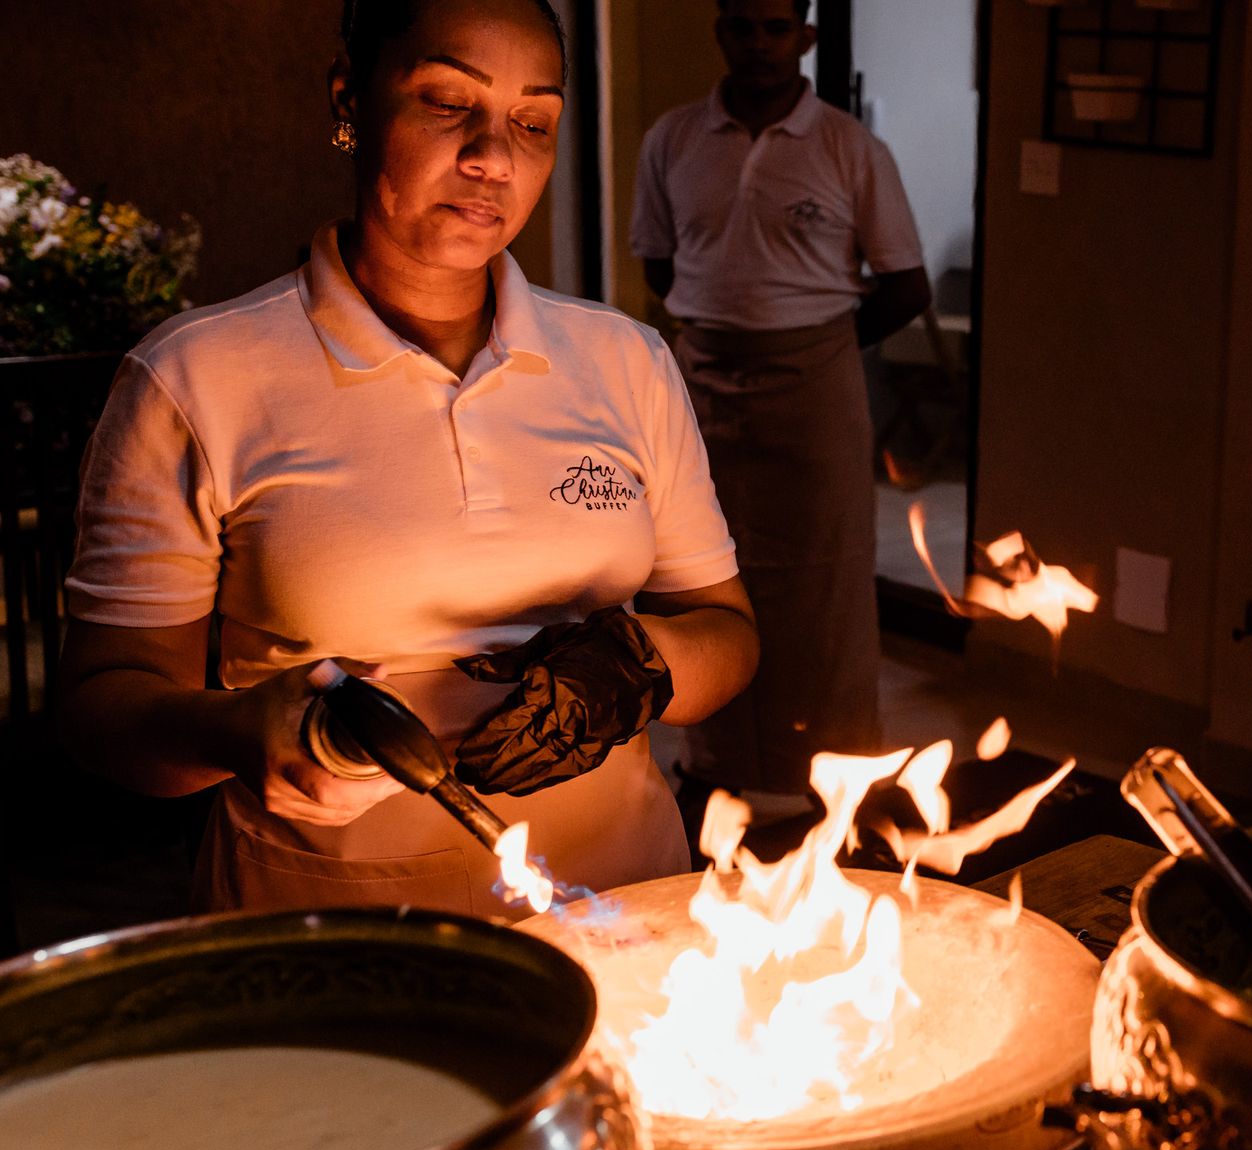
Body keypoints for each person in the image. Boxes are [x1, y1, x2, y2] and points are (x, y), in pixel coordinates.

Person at [56, 0, 758, 916]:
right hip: (335, 927)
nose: (493, 158)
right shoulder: (198, 377)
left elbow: (728, 632)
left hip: (623, 909)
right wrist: (240, 730)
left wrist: (640, 663)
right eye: (445, 101)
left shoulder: (624, 362)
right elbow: (101, 708)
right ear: (352, 99)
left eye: (533, 123)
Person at [630, 0, 932, 804]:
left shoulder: (848, 146)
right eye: (742, 25)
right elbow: (661, 265)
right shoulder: (672, 139)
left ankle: (835, 776)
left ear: (805, 36)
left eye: (774, 27)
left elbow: (906, 286)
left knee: (823, 583)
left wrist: (808, 341)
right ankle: (717, 766)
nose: (757, 44)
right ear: (719, 31)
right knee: (702, 578)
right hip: (702, 380)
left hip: (816, 384)